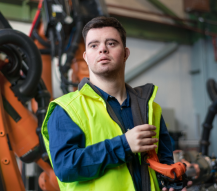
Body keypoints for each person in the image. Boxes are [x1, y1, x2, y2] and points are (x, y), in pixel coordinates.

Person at [42, 16, 188, 191]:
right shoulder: (66, 109)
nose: (103, 49)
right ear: (86, 57)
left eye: (111, 43)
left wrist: (174, 182)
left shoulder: (151, 109)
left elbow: (164, 164)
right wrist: (124, 145)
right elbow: (65, 167)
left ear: (125, 53)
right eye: (94, 45)